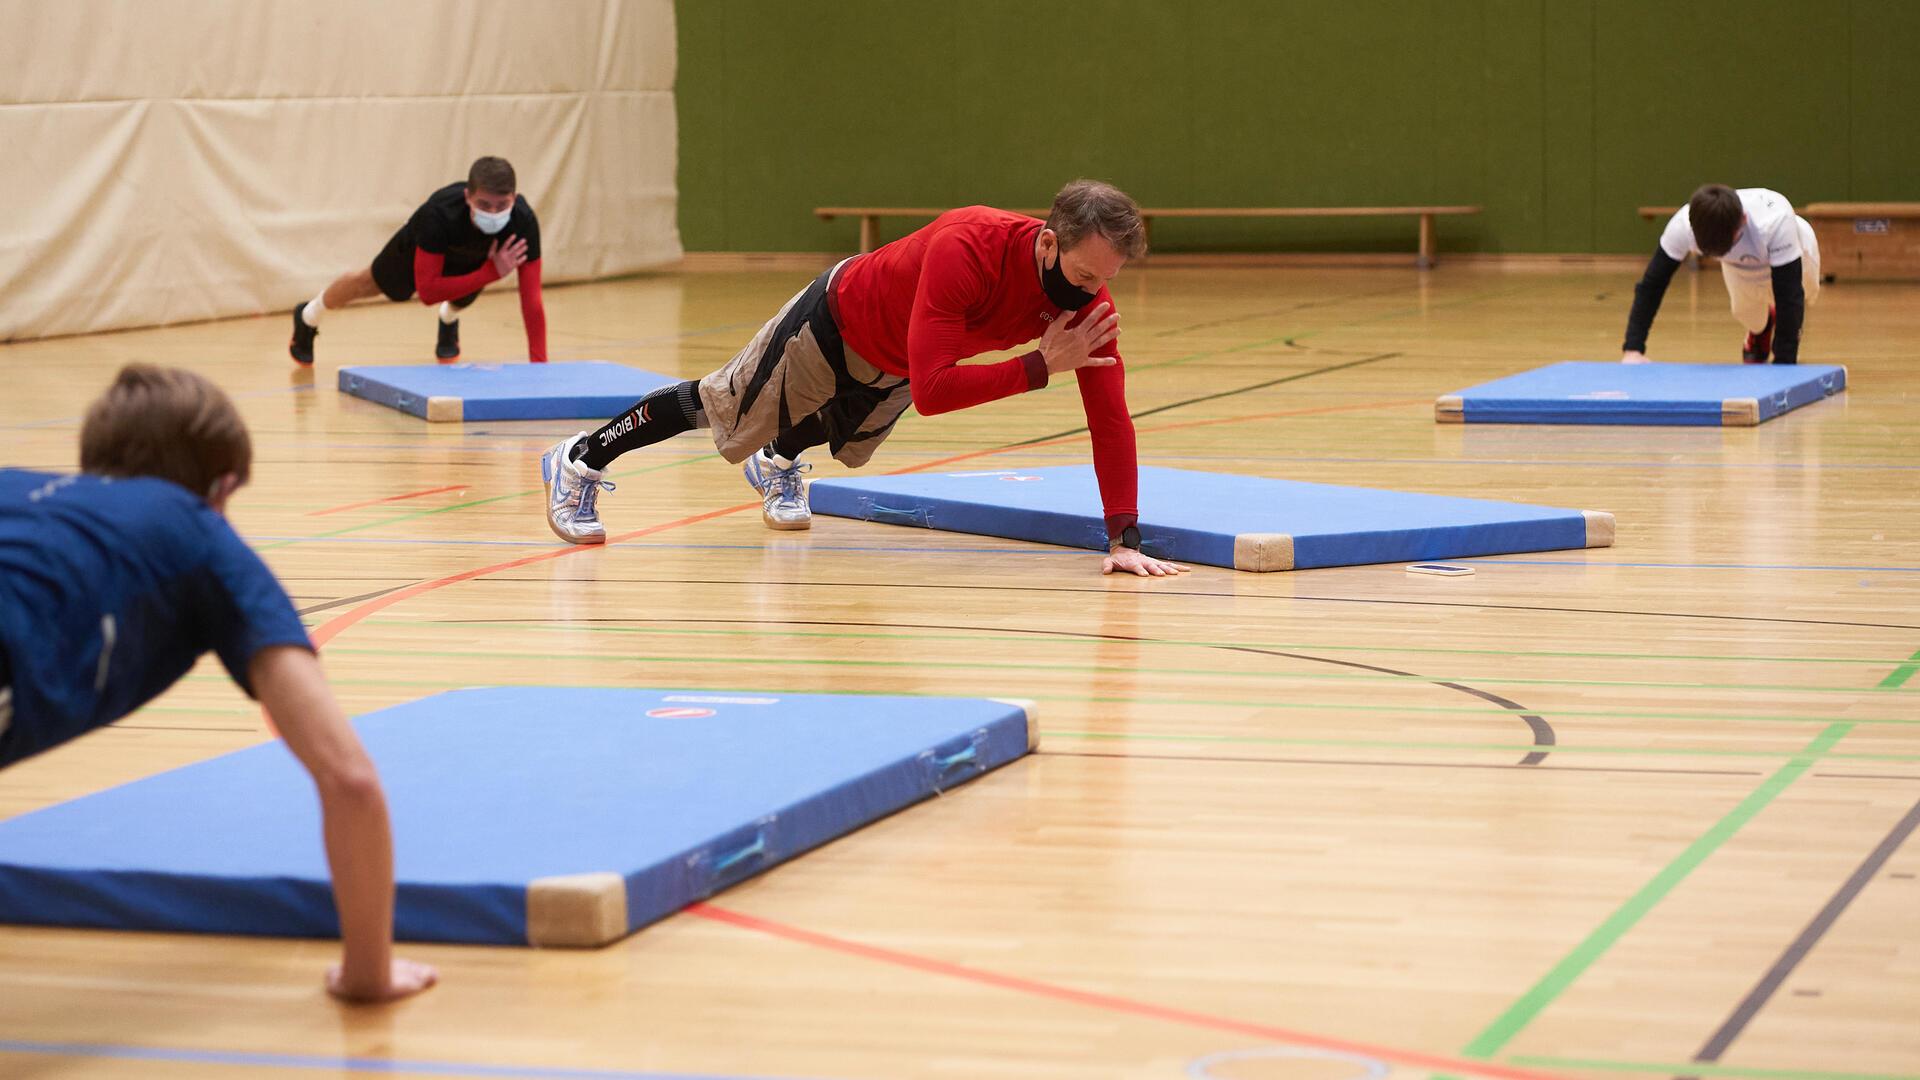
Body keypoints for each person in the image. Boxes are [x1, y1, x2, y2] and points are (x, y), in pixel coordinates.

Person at [0, 364, 436, 1004]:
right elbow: (350, 778)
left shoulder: (14, 487)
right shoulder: (199, 535)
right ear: (221, 488)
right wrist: (368, 974)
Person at [538, 179, 1188, 577]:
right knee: (720, 408)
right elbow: (935, 395)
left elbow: (1110, 420)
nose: (1091, 296)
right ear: (1048, 243)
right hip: (836, 321)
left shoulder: (1090, 307)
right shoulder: (968, 246)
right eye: (1081, 278)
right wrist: (1040, 366)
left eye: (1105, 282)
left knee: (849, 442)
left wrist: (1122, 535)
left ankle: (779, 460)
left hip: (903, 357)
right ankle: (580, 458)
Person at [289, 156, 546, 366]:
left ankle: (448, 321)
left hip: (476, 258)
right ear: (468, 196)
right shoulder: (439, 213)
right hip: (420, 251)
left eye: (502, 205)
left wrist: (540, 371)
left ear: (514, 197)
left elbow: (532, 301)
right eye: (484, 204)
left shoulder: (523, 221)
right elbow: (428, 292)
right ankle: (308, 315)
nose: (493, 213)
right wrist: (491, 272)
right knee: (367, 283)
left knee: (463, 295)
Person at [1622, 184, 1821, 365]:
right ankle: (1762, 328)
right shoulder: (1682, 226)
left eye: (1725, 245)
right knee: (1745, 313)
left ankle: (1778, 326)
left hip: (1797, 251)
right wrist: (1633, 349)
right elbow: (1652, 285)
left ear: (1743, 221)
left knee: (1801, 299)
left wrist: (1783, 364)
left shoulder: (1774, 220)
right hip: (1737, 265)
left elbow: (1789, 295)